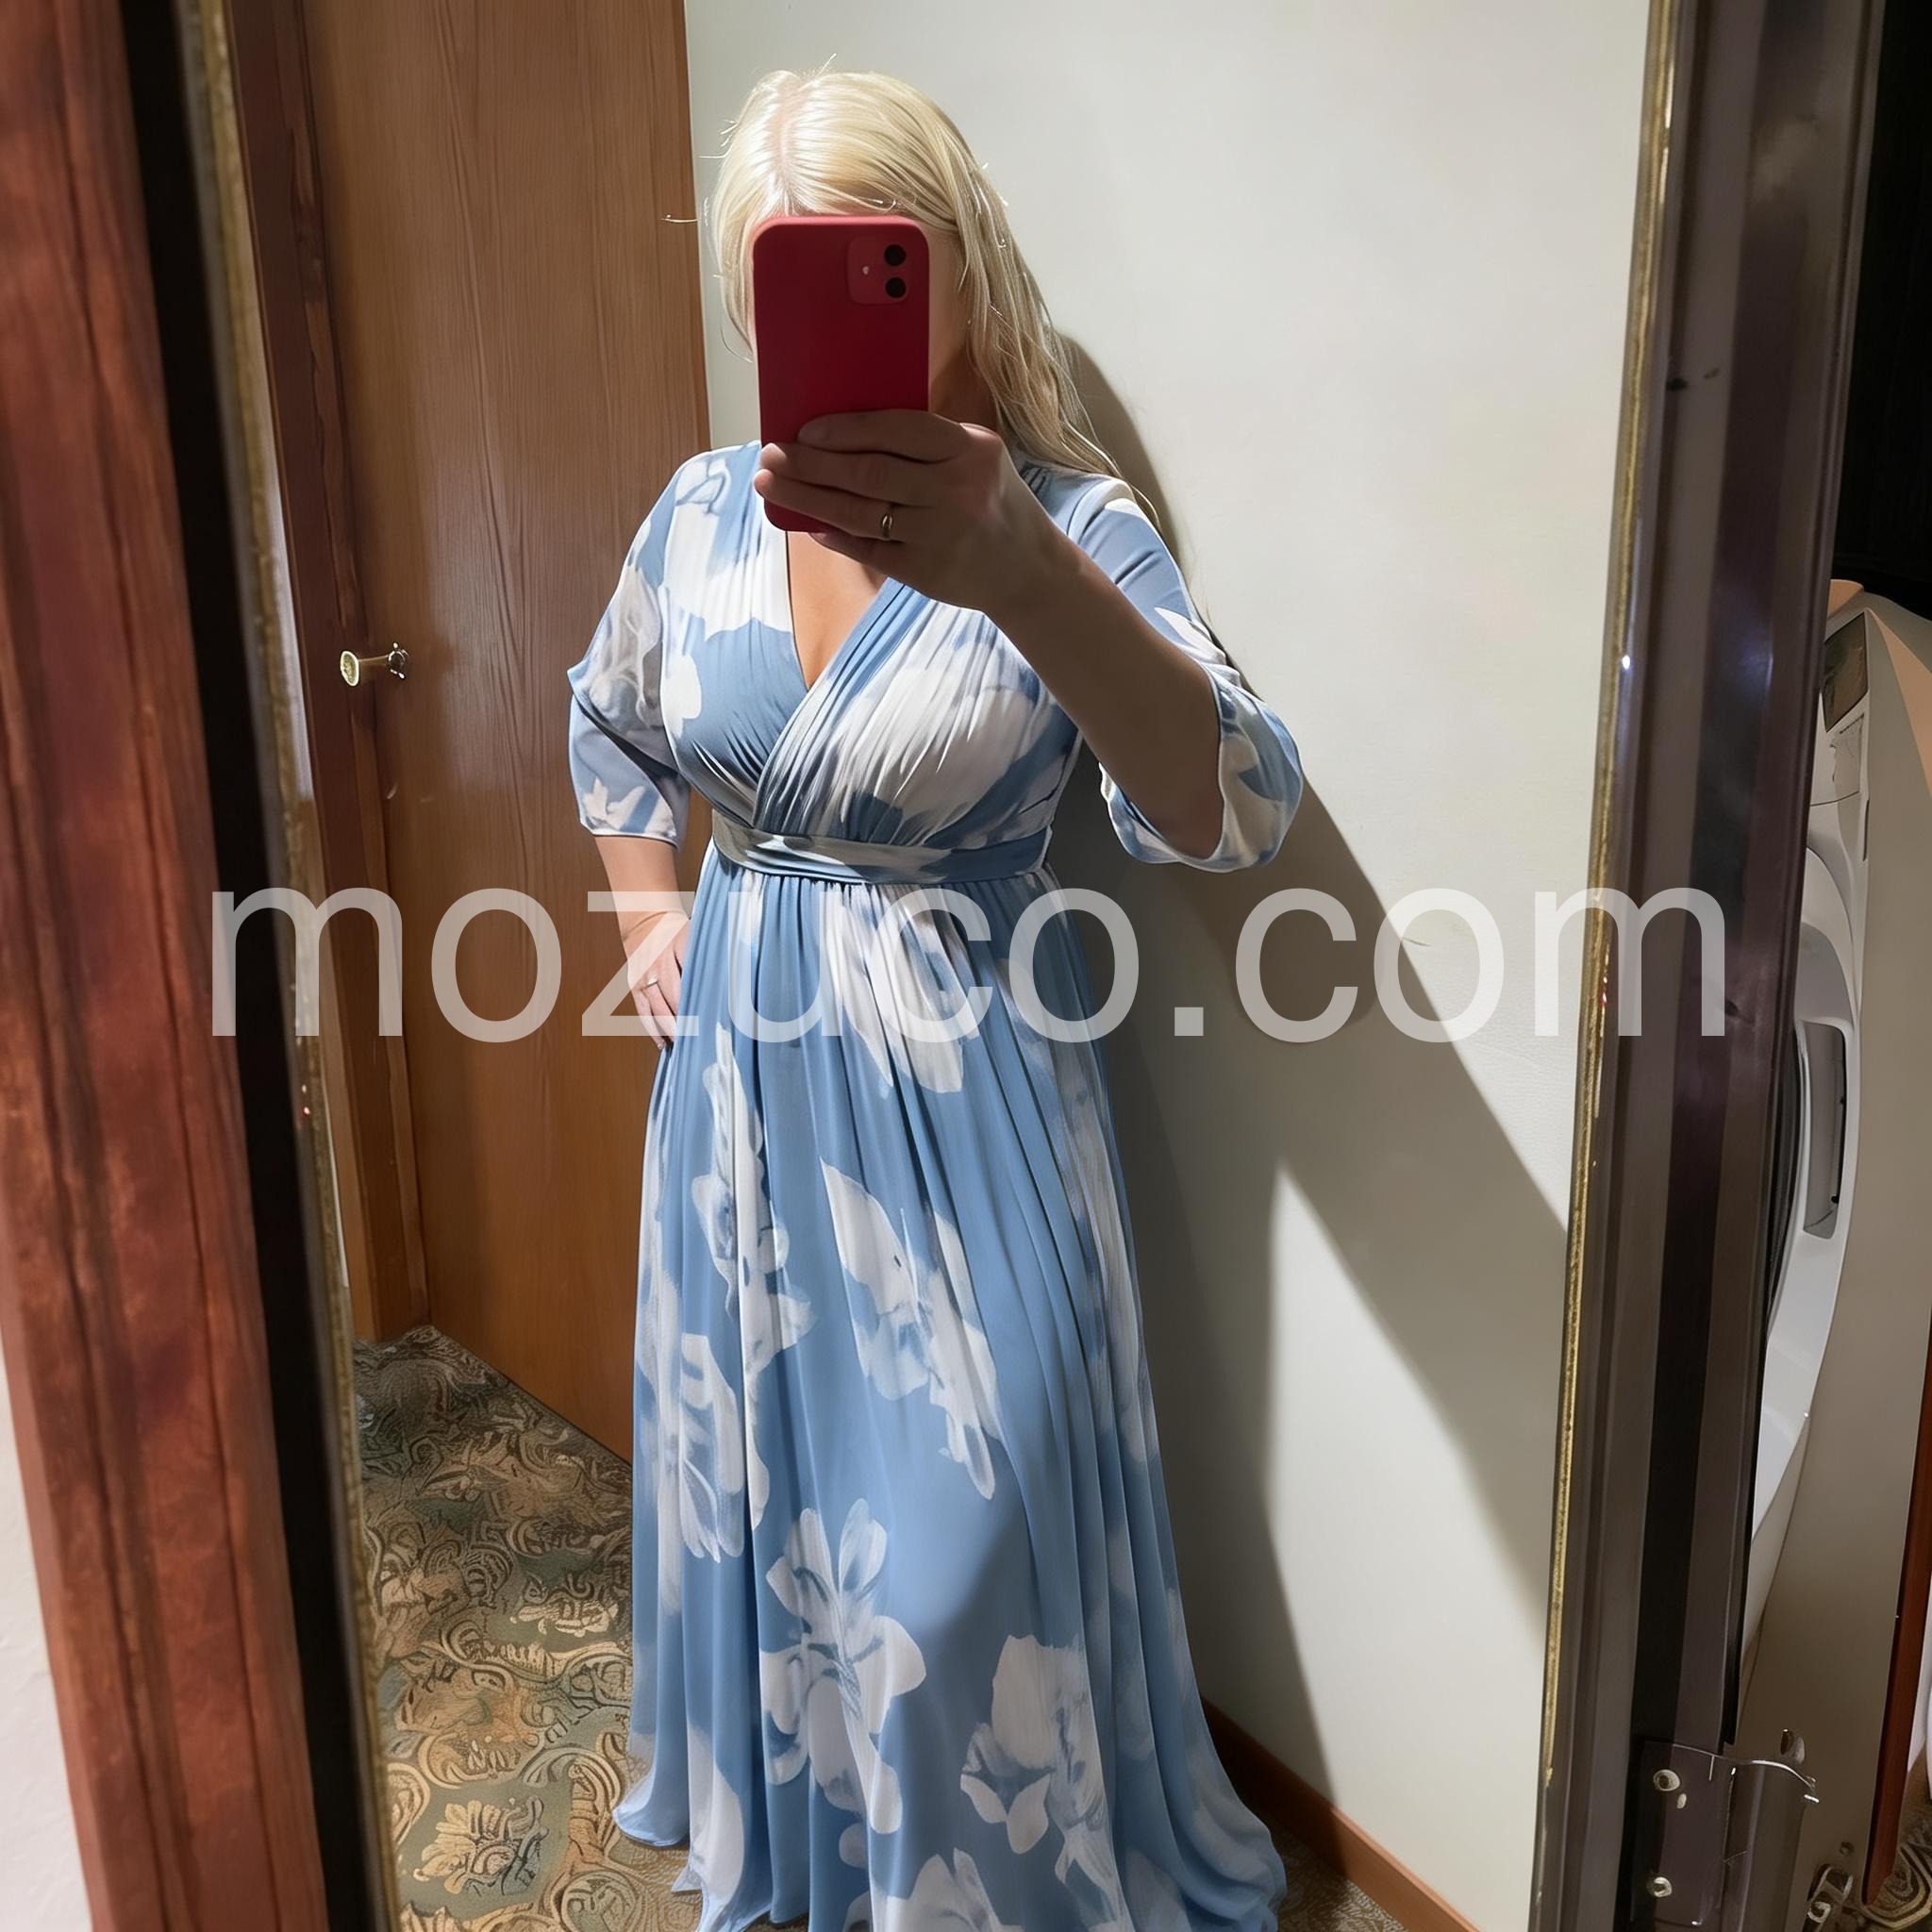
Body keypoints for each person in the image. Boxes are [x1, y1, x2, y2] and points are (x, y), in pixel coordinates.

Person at [567, 64, 1302, 1932]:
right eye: (775, 279)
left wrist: (1022, 576)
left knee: (962, 1557)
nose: (812, 320)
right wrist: (650, 919)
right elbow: (611, 718)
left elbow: (1232, 808)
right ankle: (818, 1857)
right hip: (742, 1084)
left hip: (966, 1095)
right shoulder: (701, 511)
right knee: (767, 1490)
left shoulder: (1063, 522)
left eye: (868, 267)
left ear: (954, 262)